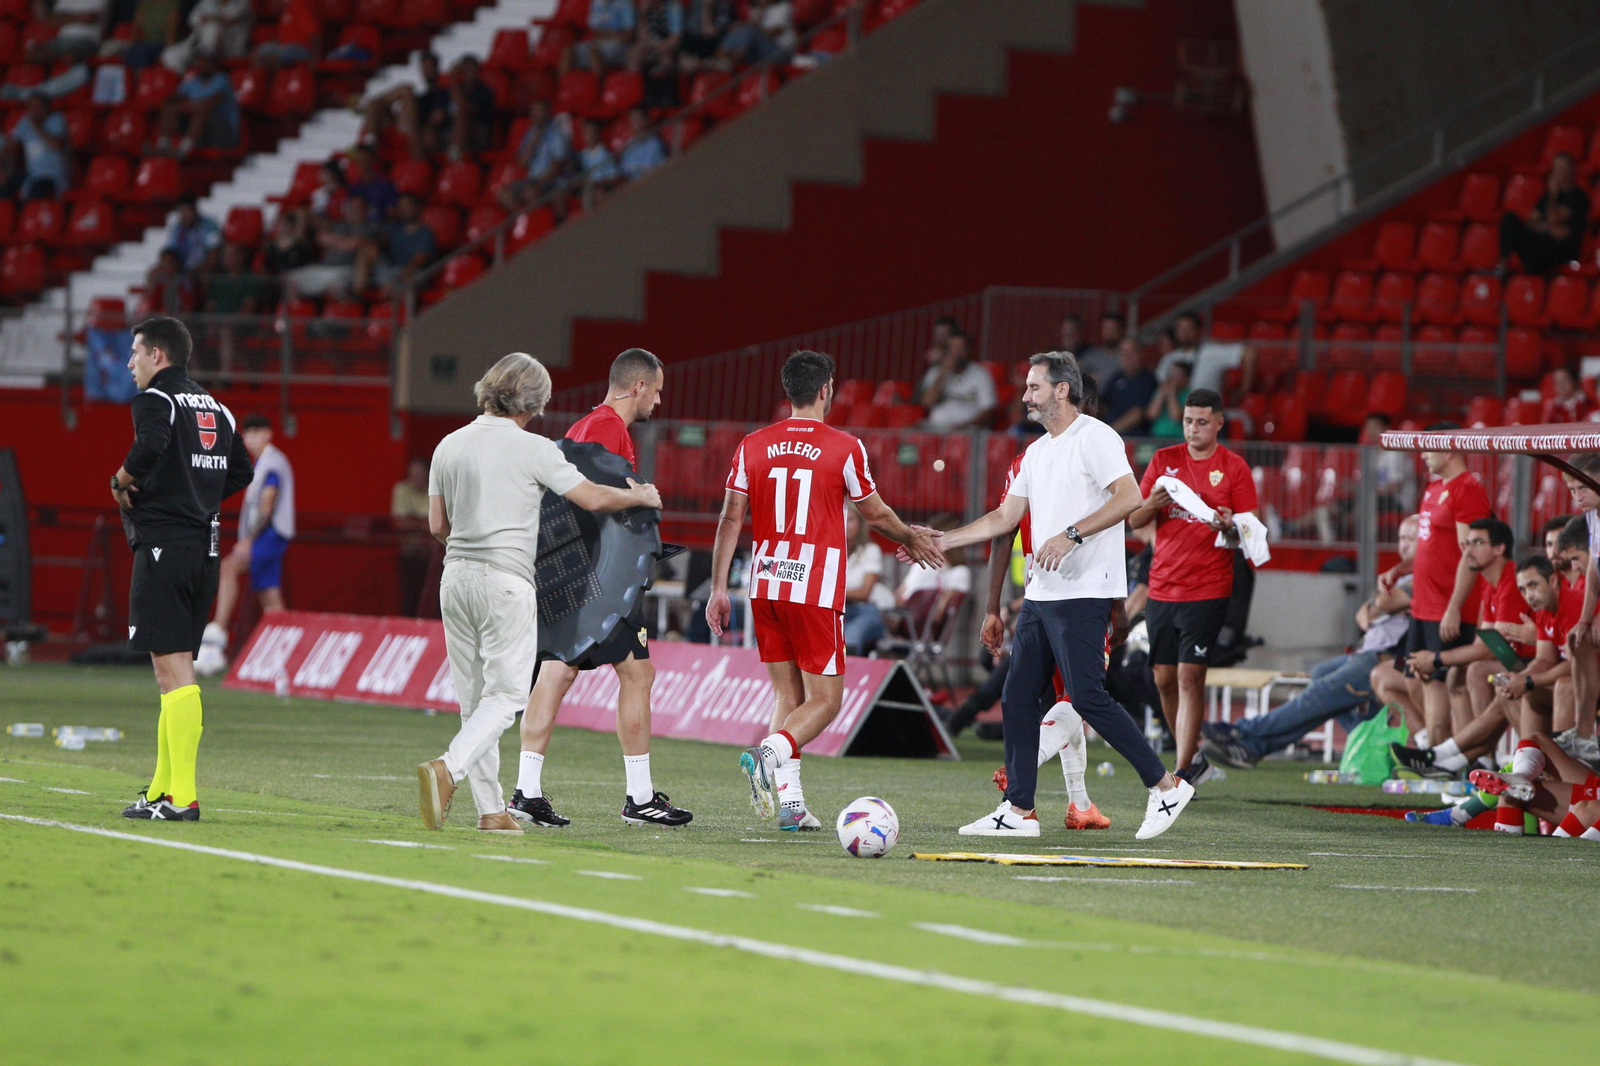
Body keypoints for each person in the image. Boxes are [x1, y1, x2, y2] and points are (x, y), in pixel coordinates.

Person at [929, 351, 1193, 839]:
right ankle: (1020, 810)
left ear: (1062, 390)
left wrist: (1071, 534)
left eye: (1033, 387)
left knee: (1088, 698)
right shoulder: (1037, 451)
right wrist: (941, 540)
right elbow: (1004, 521)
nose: (1025, 397)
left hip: (1086, 592)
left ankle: (1166, 785)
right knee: (1015, 695)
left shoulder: (1096, 437)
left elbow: (1130, 497)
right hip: (1040, 594)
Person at [418, 353, 663, 833]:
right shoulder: (534, 449)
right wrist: (639, 496)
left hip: (455, 578)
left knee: (475, 702)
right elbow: (592, 497)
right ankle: (447, 768)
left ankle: (492, 812)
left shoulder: (447, 444)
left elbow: (436, 525)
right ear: (534, 401)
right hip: (505, 580)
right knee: (508, 696)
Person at [706, 350, 943, 830]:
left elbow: (731, 516)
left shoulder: (752, 444)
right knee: (827, 701)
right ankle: (768, 754)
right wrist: (913, 538)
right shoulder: (844, 446)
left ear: (788, 390)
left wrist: (716, 588)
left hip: (766, 584)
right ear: (825, 389)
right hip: (813, 588)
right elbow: (874, 514)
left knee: (787, 697)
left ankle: (791, 806)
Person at [515, 348, 693, 829]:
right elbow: (593, 505)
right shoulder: (606, 431)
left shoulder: (586, 429)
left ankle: (526, 791)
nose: (658, 400)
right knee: (637, 675)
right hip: (600, 579)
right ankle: (638, 798)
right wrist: (641, 503)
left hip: (576, 574)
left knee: (557, 670)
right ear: (638, 387)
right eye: (656, 390)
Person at [114, 316, 254, 822]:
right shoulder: (217, 407)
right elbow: (242, 470)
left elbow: (149, 447)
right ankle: (160, 789)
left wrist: (121, 479)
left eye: (135, 352)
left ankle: (183, 797)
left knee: (175, 673)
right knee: (171, 674)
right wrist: (197, 498)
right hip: (204, 551)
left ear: (158, 355)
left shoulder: (157, 400)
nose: (129, 362)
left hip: (165, 548)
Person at [1202, 515, 1418, 768]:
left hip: (1388, 658)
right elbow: (1365, 615)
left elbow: (1381, 604)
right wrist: (1381, 602)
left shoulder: (1418, 577)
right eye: (1401, 538)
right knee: (1320, 675)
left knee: (1321, 694)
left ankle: (1242, 732)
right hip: (1367, 653)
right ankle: (1253, 747)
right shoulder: (1401, 579)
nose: (1404, 545)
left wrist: (1383, 599)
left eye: (1412, 539)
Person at [1126, 386, 1258, 782]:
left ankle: (1183, 769)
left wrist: (1230, 524)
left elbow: (1251, 531)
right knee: (1163, 677)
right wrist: (1154, 502)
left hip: (1209, 586)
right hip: (1163, 585)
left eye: (1202, 422)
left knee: (1189, 675)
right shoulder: (1165, 461)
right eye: (1188, 421)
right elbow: (1135, 520)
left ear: (1219, 423)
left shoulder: (1234, 467)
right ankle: (1193, 753)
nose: (1193, 429)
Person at [1379, 423, 1491, 750]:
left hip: (1446, 605)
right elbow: (1429, 545)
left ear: (1450, 449)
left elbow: (1470, 552)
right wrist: (1399, 569)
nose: (1423, 454)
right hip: (1423, 604)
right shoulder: (1434, 489)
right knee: (1417, 676)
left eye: (1429, 447)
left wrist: (1455, 606)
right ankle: (1438, 749)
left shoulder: (1467, 489)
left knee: (1440, 679)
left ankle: (1445, 756)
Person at [1389, 517, 1530, 777]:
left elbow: (1488, 650)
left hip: (1531, 666)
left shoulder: (1511, 579)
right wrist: (1442, 661)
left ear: (1499, 549)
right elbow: (1486, 642)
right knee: (1461, 672)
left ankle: (1448, 757)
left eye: (1477, 543)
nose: (1468, 550)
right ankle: (1469, 760)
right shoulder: (1491, 582)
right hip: (1519, 664)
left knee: (1478, 671)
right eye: (1466, 544)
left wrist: (1437, 659)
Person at [196, 414, 295, 676]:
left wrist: (249, 540)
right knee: (270, 597)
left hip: (270, 535)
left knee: (228, 568)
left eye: (256, 432)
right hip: (271, 536)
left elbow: (267, 504)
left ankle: (216, 635)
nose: (250, 439)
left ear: (268, 434)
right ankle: (286, 656)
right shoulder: (262, 463)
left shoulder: (271, 463)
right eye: (247, 433)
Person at [1560, 454, 1600, 765]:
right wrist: (1585, 619)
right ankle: (1584, 734)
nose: (1578, 496)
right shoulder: (1592, 517)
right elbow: (1594, 572)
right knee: (1578, 638)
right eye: (1572, 490)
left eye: (1582, 487)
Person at [1499, 151, 1588, 276]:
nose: (1558, 173)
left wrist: (1553, 195)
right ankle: (1502, 267)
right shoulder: (1546, 197)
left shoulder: (1577, 196)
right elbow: (1530, 221)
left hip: (1563, 249)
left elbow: (1553, 219)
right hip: (1543, 241)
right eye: (1556, 169)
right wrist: (1548, 228)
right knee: (1510, 219)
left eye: (1563, 168)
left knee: (1537, 254)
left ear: (1572, 170)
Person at [158, 52, 239, 157]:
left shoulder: (222, 81)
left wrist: (185, 107)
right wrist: (173, 103)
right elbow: (175, 98)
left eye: (204, 61)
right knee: (170, 108)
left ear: (213, 64)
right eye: (199, 62)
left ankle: (183, 150)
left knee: (202, 110)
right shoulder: (193, 81)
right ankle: (162, 147)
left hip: (222, 131)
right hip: (202, 130)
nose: (201, 65)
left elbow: (208, 103)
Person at [500, 100, 571, 209]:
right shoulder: (530, 134)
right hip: (531, 180)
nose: (535, 115)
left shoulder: (557, 134)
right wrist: (533, 142)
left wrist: (538, 182)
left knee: (530, 192)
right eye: (534, 112)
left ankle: (536, 221)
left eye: (539, 112)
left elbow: (557, 167)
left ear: (547, 113)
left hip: (551, 181)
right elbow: (522, 163)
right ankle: (522, 221)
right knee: (505, 193)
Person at [918, 332, 996, 431]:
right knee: (908, 432)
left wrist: (963, 426)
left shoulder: (980, 374)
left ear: (968, 350)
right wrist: (943, 372)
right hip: (937, 428)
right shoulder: (935, 372)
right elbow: (927, 402)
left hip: (968, 430)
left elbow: (989, 411)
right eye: (952, 348)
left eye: (960, 348)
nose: (956, 352)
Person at [842, 504, 893, 655]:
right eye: (842, 518)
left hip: (864, 611)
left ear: (860, 524)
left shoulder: (870, 550)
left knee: (849, 639)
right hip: (835, 610)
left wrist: (831, 593)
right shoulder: (830, 551)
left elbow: (864, 593)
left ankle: (848, 676)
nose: (845, 524)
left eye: (850, 519)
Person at [391, 456, 434, 617]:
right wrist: (424, 525)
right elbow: (400, 523)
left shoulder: (435, 491)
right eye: (412, 474)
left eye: (419, 474)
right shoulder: (401, 489)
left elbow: (438, 524)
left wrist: (414, 521)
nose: (415, 477)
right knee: (409, 596)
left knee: (432, 597)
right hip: (409, 553)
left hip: (432, 555)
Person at [374, 192, 436, 294]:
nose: (403, 210)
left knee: (408, 279)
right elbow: (377, 243)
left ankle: (405, 308)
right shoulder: (393, 229)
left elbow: (420, 258)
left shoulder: (425, 233)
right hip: (392, 271)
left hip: (414, 272)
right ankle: (356, 294)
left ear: (416, 208)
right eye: (401, 206)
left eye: (407, 205)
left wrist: (401, 274)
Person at [12, 94, 70, 200]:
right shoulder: (25, 121)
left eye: (37, 106)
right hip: (31, 174)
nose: (34, 110)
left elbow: (56, 145)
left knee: (37, 188)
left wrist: (37, 126)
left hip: (53, 175)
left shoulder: (57, 119)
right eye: (31, 106)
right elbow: (11, 144)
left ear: (46, 107)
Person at [1102, 335, 1156, 435]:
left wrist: (1108, 433)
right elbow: (1103, 405)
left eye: (1131, 352)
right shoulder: (1116, 378)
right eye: (1123, 352)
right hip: (1110, 434)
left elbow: (1137, 414)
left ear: (1140, 354)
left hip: (1134, 438)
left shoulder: (1148, 379)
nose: (1127, 357)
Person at [164, 196, 222, 272]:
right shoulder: (176, 229)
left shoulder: (210, 226)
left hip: (205, 268)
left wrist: (200, 268)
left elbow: (214, 251)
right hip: (182, 269)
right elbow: (171, 252)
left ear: (195, 210)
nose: (185, 215)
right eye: (182, 212)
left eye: (187, 211)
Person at [1074, 312, 1124, 391]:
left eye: (1112, 329)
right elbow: (1075, 372)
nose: (1108, 333)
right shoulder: (1093, 355)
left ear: (1120, 330)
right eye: (1106, 329)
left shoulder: (1125, 357)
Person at [618, 107, 668, 180]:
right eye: (632, 119)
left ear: (645, 120)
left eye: (638, 119)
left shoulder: (655, 143)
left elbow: (659, 168)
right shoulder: (629, 144)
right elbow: (624, 169)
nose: (635, 122)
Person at [1145, 359, 1190, 439]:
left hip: (1177, 438)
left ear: (1185, 378)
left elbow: (1175, 416)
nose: (1172, 378)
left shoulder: (1189, 394)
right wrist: (1161, 393)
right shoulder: (1161, 390)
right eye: (1170, 374)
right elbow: (1151, 415)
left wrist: (1172, 392)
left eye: (1176, 375)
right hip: (1156, 436)